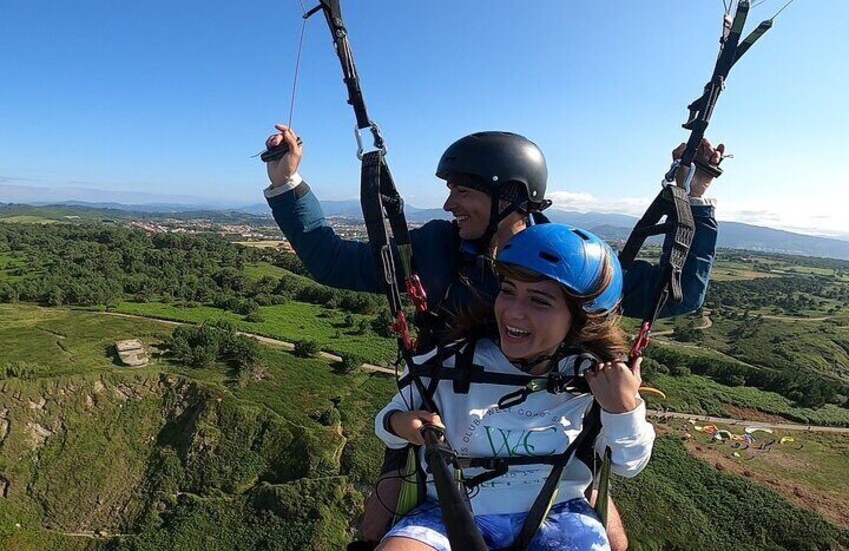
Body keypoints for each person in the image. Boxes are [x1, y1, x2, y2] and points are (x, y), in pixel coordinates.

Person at [263, 125, 722, 549]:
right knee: (376, 527)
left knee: (613, 539)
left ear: (508, 195)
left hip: (550, 436)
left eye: (461, 191)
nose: (448, 204)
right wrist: (287, 184)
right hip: (447, 414)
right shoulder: (435, 249)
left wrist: (694, 196)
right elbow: (334, 262)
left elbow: (675, 295)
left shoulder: (572, 262)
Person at [374, 223, 655, 551]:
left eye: (539, 301)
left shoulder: (591, 376)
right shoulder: (449, 362)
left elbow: (628, 465)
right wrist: (401, 424)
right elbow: (388, 420)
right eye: (508, 291)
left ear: (578, 318)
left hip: (559, 510)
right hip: (450, 508)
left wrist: (623, 409)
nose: (513, 312)